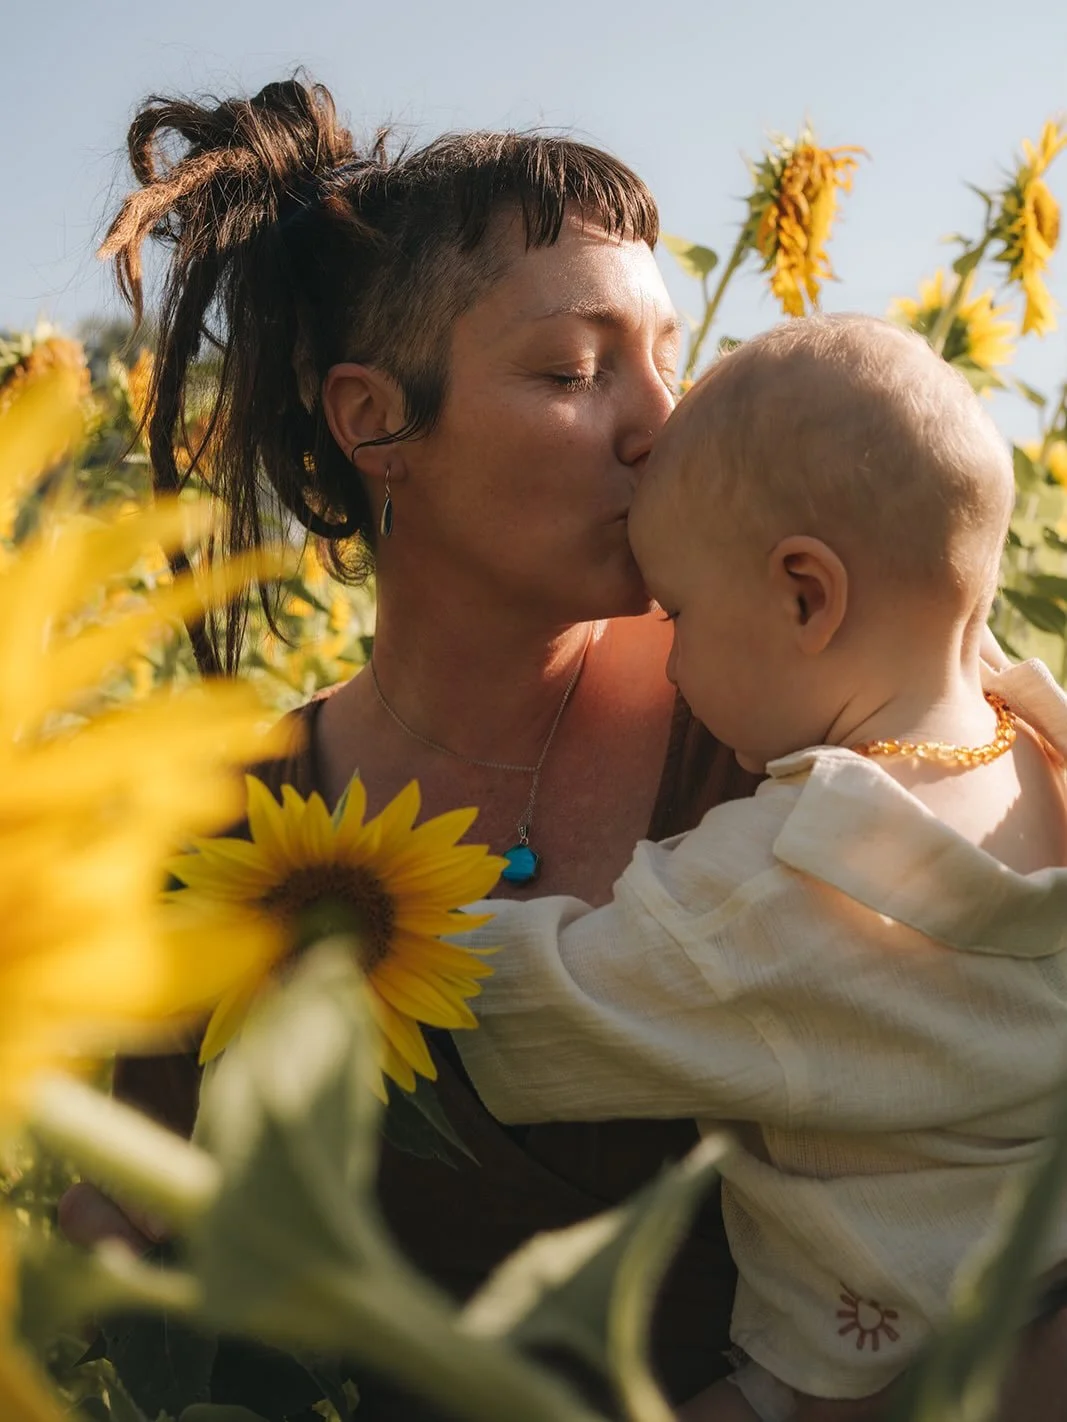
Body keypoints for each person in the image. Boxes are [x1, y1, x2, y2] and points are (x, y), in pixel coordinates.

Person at [55, 78, 1067, 1420]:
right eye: (575, 370)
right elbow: (171, 1283)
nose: (661, 420)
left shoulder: (814, 717)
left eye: (665, 356)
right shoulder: (235, 829)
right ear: (372, 421)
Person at [449, 314, 1067, 1420]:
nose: (672, 659)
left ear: (802, 596)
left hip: (872, 1362)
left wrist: (361, 917)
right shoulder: (1035, 753)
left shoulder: (793, 870)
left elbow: (541, 1004)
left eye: (678, 611)